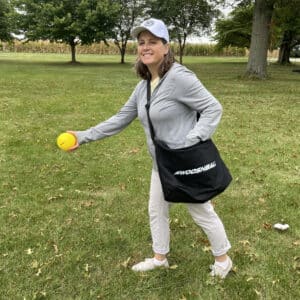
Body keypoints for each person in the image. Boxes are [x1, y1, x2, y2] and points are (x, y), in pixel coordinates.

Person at [68, 18, 232, 278]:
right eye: (141, 42)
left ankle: (223, 260)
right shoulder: (143, 86)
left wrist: (192, 139)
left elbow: (213, 108)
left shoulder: (180, 77)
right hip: (162, 163)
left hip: (184, 162)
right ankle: (160, 258)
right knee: (156, 210)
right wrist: (82, 136)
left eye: (152, 42)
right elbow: (120, 119)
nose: (145, 47)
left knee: (201, 211)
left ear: (166, 47)